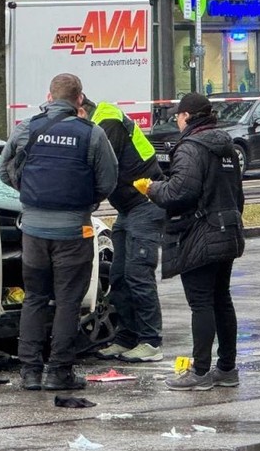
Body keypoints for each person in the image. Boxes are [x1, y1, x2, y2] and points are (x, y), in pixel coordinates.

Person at [0, 73, 118, 391]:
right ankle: (59, 372)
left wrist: (28, 191)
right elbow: (108, 180)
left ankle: (30, 372)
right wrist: (86, 201)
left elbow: (4, 168)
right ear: (80, 99)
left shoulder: (27, 128)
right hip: (74, 231)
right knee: (68, 301)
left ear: (49, 97)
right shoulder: (91, 134)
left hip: (34, 231)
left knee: (34, 298)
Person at [133, 92, 245, 391]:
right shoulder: (227, 147)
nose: (177, 121)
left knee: (201, 304)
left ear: (186, 117)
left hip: (199, 233)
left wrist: (153, 188)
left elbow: (178, 193)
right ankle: (227, 367)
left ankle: (200, 371)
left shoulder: (191, 148)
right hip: (227, 230)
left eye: (178, 117)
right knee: (222, 299)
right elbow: (237, 194)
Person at [78, 97, 167, 364]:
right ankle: (127, 338)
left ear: (81, 106)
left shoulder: (106, 121)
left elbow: (103, 170)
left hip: (145, 204)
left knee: (138, 274)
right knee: (119, 276)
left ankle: (151, 341)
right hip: (129, 208)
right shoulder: (98, 121)